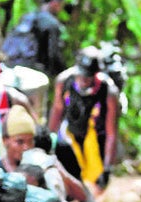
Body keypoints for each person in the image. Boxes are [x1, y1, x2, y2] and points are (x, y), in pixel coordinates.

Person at [48, 46, 121, 191]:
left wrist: (107, 168)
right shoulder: (64, 81)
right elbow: (57, 111)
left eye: (88, 77)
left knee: (96, 183)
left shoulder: (108, 92)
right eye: (81, 75)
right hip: (70, 136)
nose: (83, 80)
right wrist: (48, 143)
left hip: (96, 139)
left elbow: (111, 132)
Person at [2, 0, 67, 83]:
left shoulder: (26, 17)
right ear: (55, 3)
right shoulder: (51, 23)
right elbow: (53, 54)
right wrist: (64, 72)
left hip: (11, 65)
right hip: (33, 71)